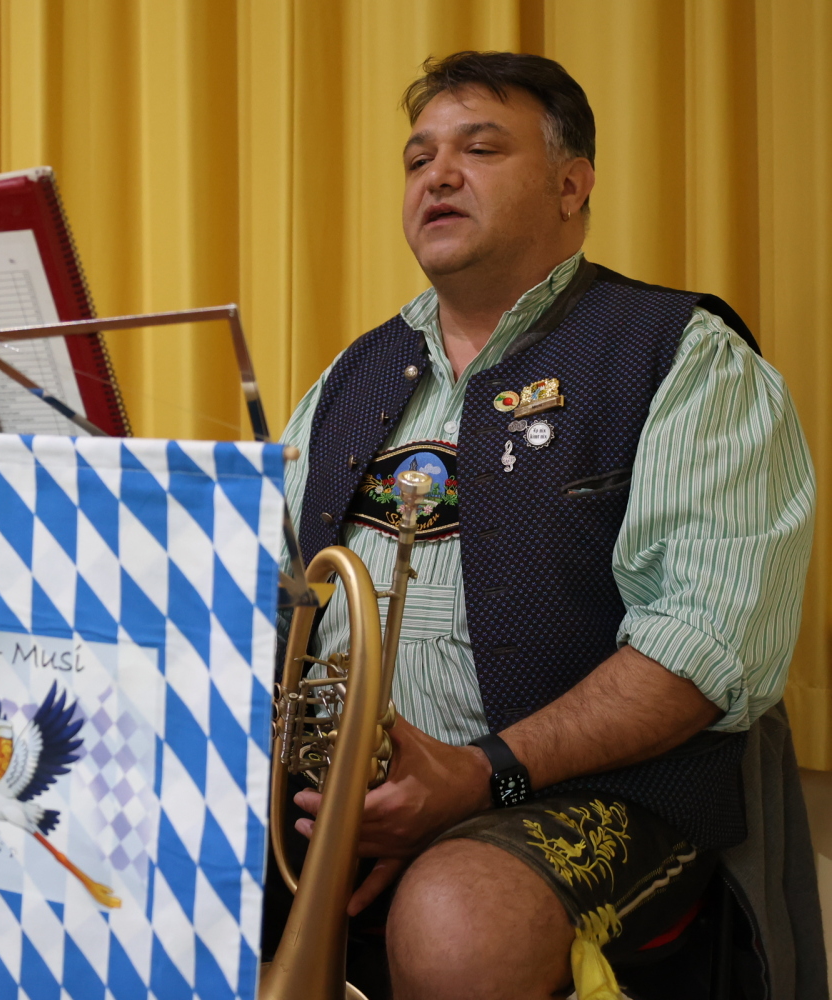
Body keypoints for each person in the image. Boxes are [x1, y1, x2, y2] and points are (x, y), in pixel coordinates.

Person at [278, 52, 816, 998]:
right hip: (342, 788)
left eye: (480, 149)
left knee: (459, 922)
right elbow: (268, 592)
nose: (438, 175)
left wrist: (478, 775)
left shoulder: (684, 355)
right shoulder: (351, 376)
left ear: (573, 186)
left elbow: (702, 650)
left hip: (595, 793)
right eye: (418, 159)